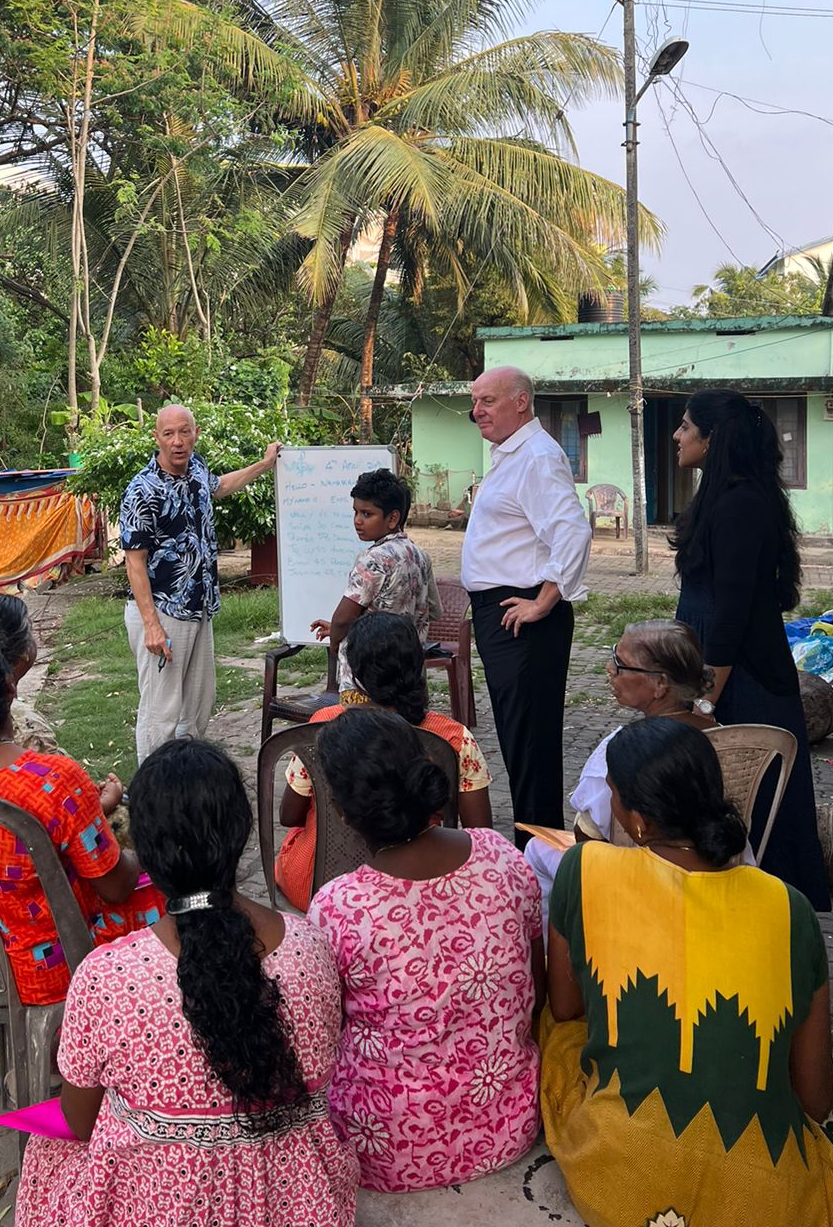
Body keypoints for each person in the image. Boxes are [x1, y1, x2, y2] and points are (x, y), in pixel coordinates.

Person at [542, 718, 833, 1227]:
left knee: (558, 1036)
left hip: (616, 1175)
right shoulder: (787, 907)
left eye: (613, 794)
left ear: (636, 819)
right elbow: (816, 1101)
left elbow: (566, 1007)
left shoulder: (585, 867)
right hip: (769, 1200)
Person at [13, 739, 358, 1227]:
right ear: (239, 836)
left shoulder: (105, 977)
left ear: (145, 856)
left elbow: (77, 1121)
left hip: (158, 1203)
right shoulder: (311, 946)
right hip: (301, 1199)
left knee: (46, 1149)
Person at [310, 707, 544, 1192]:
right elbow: (533, 988)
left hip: (385, 1148)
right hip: (509, 1126)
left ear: (342, 812)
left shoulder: (339, 907)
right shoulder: (501, 855)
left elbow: (325, 1035)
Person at [0, 631, 163, 1006]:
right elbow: (116, 888)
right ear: (9, 687)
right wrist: (151, 843)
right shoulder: (53, 780)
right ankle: (146, 1020)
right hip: (44, 968)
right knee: (167, 885)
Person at [672, 387, 830, 909]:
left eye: (687, 427)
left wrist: (705, 699)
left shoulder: (741, 503)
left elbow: (732, 613)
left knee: (758, 810)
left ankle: (775, 922)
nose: (677, 435)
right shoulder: (722, 496)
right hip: (720, 669)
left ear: (712, 439)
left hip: (745, 680)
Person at [524, 619, 741, 917]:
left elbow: (587, 833)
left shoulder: (622, 748)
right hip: (721, 862)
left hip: (637, 873)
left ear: (660, 683)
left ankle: (558, 947)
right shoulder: (736, 739)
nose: (609, 670)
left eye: (621, 664)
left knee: (536, 849)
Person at [275, 611, 492, 910]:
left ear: (358, 673)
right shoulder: (454, 738)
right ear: (418, 664)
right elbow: (480, 832)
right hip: (426, 888)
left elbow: (289, 816)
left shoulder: (323, 726)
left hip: (316, 882)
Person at [460, 366, 592, 839]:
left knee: (531, 750)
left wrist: (544, 601)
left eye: (488, 401)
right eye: (475, 402)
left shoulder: (536, 455)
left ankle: (536, 863)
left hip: (524, 618)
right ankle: (533, 855)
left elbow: (572, 532)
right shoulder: (509, 455)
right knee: (520, 746)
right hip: (502, 616)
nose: (477, 411)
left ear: (520, 402)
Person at [119, 405, 280, 763]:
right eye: (169, 434)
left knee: (197, 708)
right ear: (156, 438)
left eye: (184, 432)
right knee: (161, 714)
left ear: (196, 432)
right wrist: (152, 626)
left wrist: (264, 465)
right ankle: (152, 796)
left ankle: (185, 786)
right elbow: (134, 562)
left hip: (198, 608)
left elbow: (219, 486)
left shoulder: (197, 470)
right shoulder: (143, 490)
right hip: (163, 613)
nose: (178, 442)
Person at [309, 468, 441, 694]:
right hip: (409, 671)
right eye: (355, 512)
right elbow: (434, 611)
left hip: (368, 675)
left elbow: (343, 618)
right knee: (402, 728)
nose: (358, 521)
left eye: (367, 514)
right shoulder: (419, 555)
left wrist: (335, 644)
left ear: (392, 518)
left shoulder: (373, 559)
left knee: (365, 728)